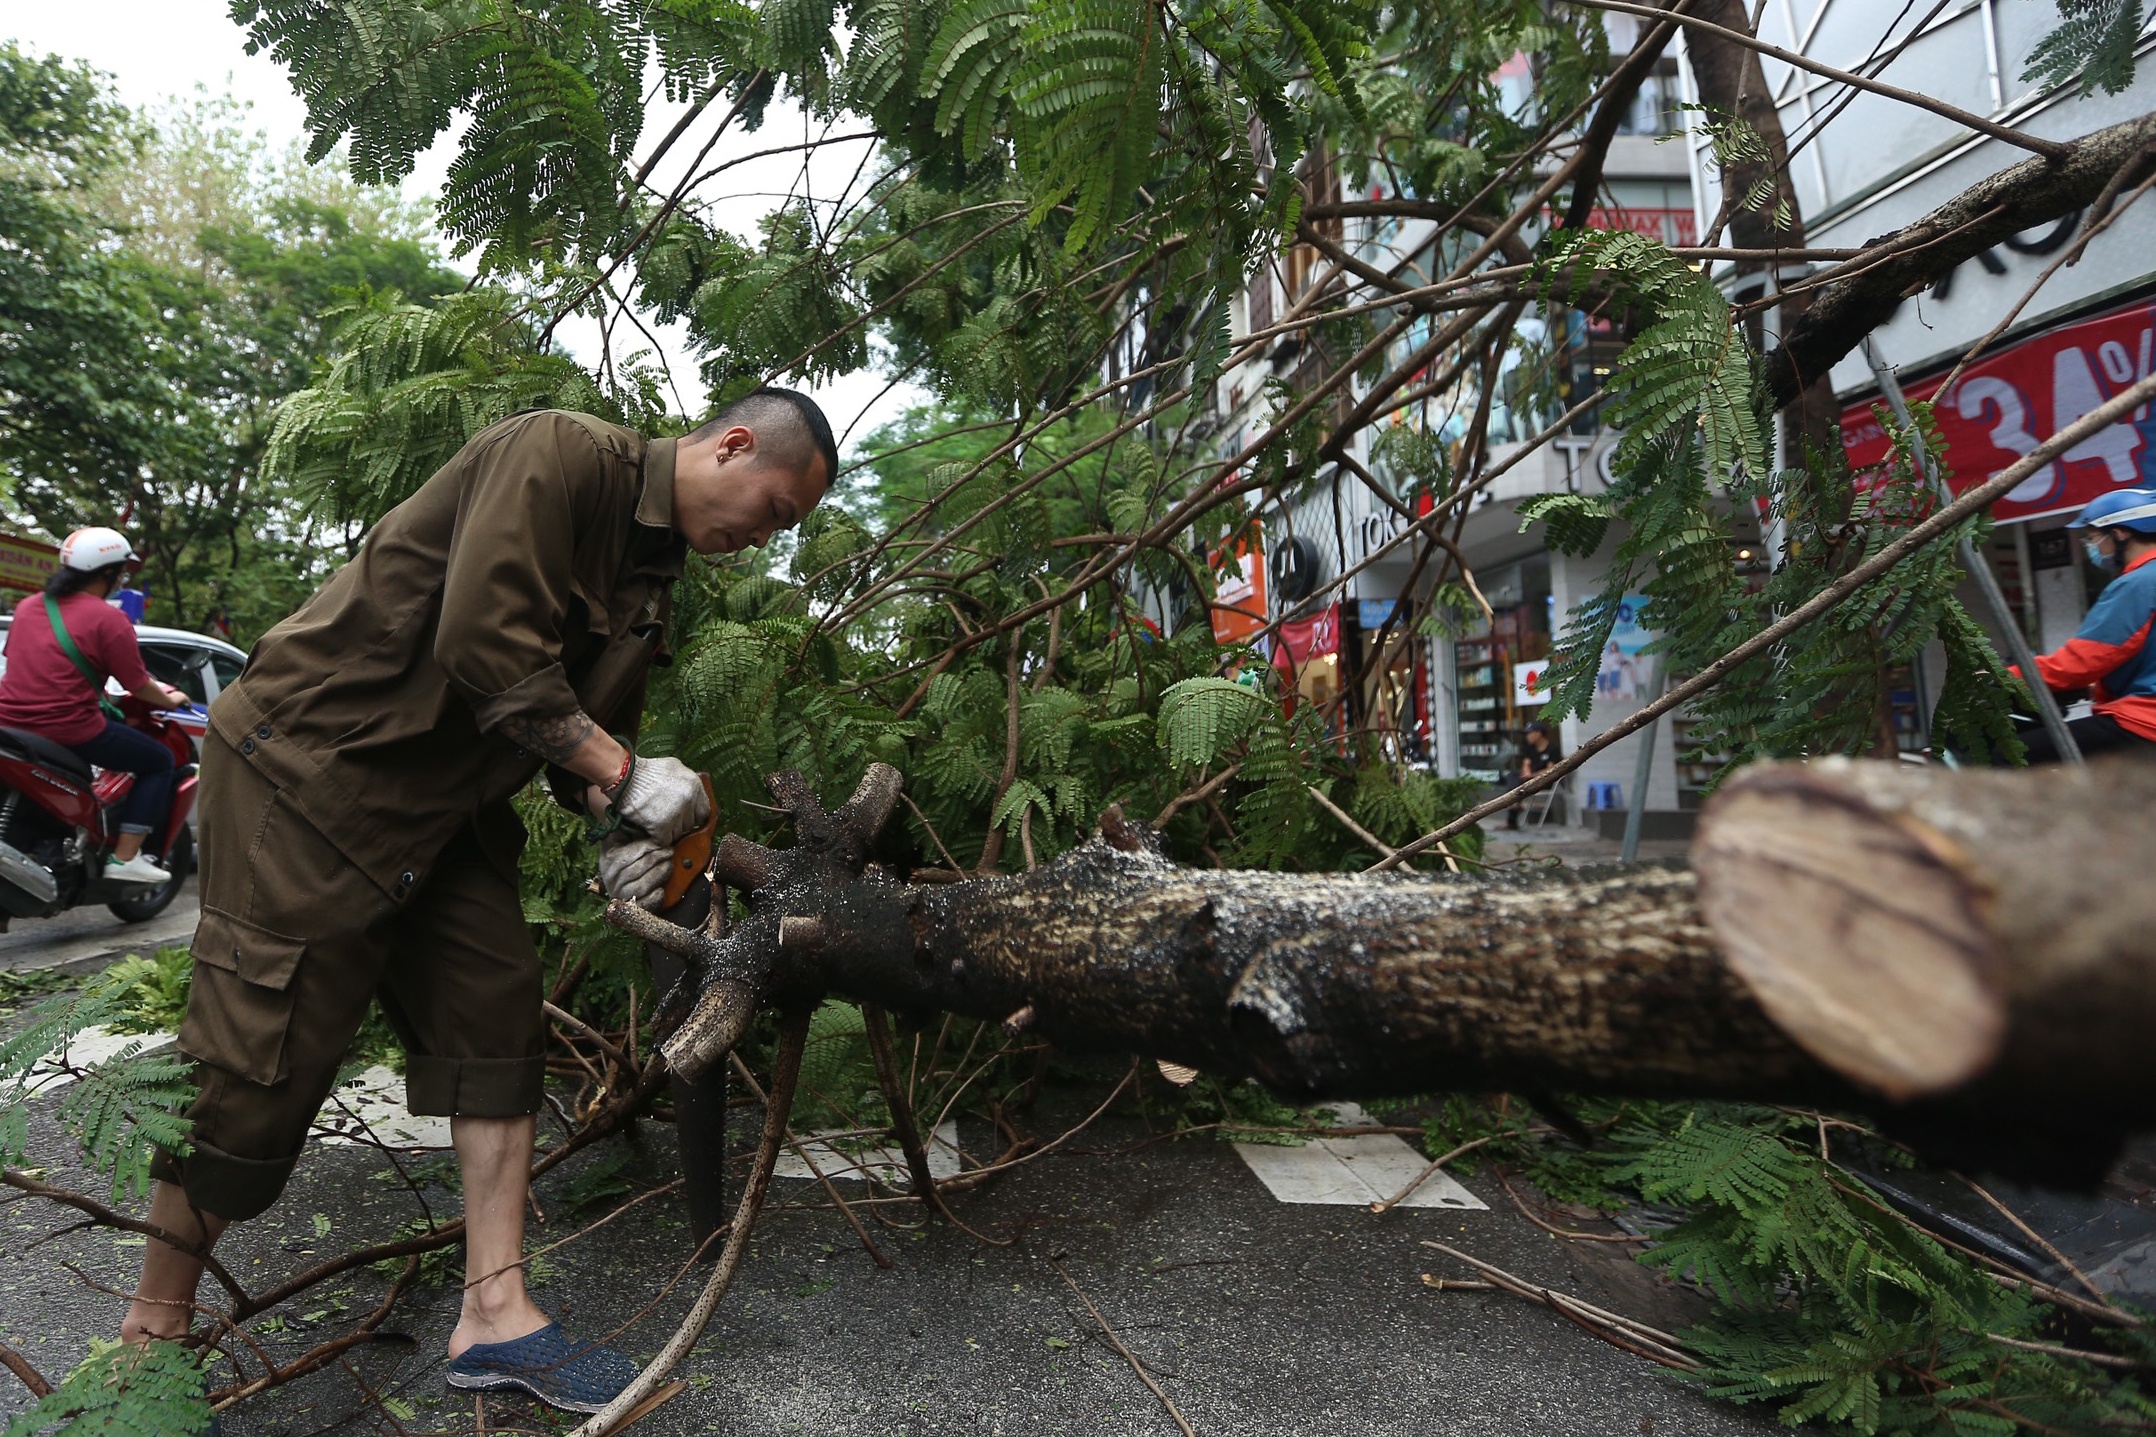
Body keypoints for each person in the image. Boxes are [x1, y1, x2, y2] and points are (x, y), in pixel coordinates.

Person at [119, 390, 836, 1415]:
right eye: (773, 509)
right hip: (314, 775)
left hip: (443, 813)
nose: (760, 538)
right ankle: (152, 1329)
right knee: (256, 1057)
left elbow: (580, 744)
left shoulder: (649, 580)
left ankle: (495, 1315)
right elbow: (483, 640)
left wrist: (616, 829)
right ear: (730, 445)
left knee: (495, 1017)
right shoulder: (561, 455)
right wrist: (625, 775)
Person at [0, 528, 191, 884]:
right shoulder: (109, 620)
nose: (122, 578)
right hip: (68, 728)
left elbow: (20, 659)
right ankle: (125, 858)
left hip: (9, 724)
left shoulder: (28, 607)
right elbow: (138, 685)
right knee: (159, 760)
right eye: (121, 571)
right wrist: (172, 698)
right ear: (107, 573)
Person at [2013, 487, 2156, 763]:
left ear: (2120, 532)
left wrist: (2003, 677)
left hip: (2144, 720)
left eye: (2093, 538)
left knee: (2004, 755)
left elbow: (2082, 663)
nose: (2095, 548)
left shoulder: (2138, 584)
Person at [1499, 718, 1560, 830]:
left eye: (1529, 733)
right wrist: (1526, 772)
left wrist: (1532, 775)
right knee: (1512, 776)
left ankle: (1513, 811)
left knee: (1518, 786)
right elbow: (1526, 763)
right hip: (1528, 780)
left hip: (1544, 780)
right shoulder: (1529, 748)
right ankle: (1515, 805)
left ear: (1538, 734)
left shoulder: (1552, 749)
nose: (1527, 737)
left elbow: (1550, 770)